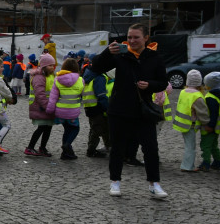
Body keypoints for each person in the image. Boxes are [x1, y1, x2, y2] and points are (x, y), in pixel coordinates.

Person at [90, 23, 169, 199]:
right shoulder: (121, 55)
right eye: (129, 37)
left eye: (136, 37)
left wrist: (150, 85)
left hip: (143, 110)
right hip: (119, 109)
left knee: (150, 148)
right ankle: (115, 182)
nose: (132, 41)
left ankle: (154, 183)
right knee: (117, 148)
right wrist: (107, 52)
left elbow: (163, 82)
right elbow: (95, 67)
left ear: (146, 38)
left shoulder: (154, 57)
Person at [46, 58, 86, 160]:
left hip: (61, 111)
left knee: (67, 130)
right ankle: (67, 145)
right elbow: (82, 93)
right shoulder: (80, 80)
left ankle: (66, 153)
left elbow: (53, 97)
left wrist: (50, 110)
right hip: (73, 111)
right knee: (75, 129)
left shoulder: (57, 79)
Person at [172, 70, 210, 172]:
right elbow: (202, 113)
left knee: (188, 145)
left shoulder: (183, 92)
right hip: (191, 125)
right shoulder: (197, 96)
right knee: (190, 147)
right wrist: (207, 123)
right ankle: (187, 166)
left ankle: (187, 165)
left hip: (182, 123)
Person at [24, 53, 57, 157]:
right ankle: (30, 147)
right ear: (44, 66)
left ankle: (42, 147)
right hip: (41, 106)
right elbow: (40, 94)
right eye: (50, 65)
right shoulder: (39, 77)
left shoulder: (51, 75)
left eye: (53, 65)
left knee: (48, 127)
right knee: (42, 127)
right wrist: (47, 106)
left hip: (48, 106)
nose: (52, 67)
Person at [81, 54, 112, 158]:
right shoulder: (99, 77)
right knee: (98, 129)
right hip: (97, 107)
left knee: (95, 128)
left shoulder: (88, 74)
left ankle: (106, 146)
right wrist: (107, 108)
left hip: (89, 106)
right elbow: (101, 95)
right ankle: (91, 150)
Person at [199, 71, 220, 171]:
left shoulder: (210, 97)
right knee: (214, 145)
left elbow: (212, 113)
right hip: (217, 126)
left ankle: (206, 163)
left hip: (210, 126)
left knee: (205, 145)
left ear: (209, 85)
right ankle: (217, 161)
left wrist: (209, 125)